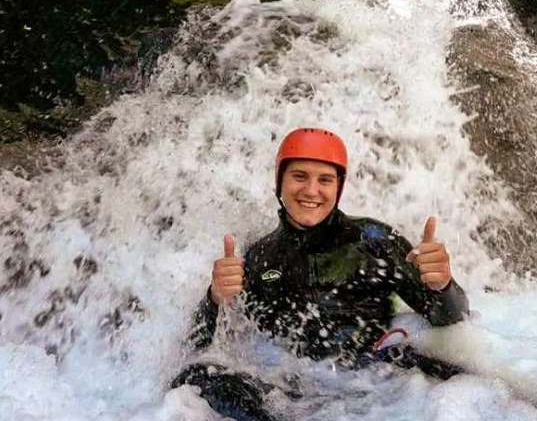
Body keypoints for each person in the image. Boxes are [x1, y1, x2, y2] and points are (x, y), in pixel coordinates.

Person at [182, 127, 469, 390]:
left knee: (471, 380)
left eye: (325, 180)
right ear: (279, 183)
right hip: (297, 394)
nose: (311, 190)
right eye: (299, 176)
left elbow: (452, 318)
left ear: (338, 188)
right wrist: (214, 298)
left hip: (380, 386)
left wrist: (442, 286)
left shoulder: (377, 241)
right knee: (197, 380)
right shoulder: (259, 258)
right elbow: (198, 345)